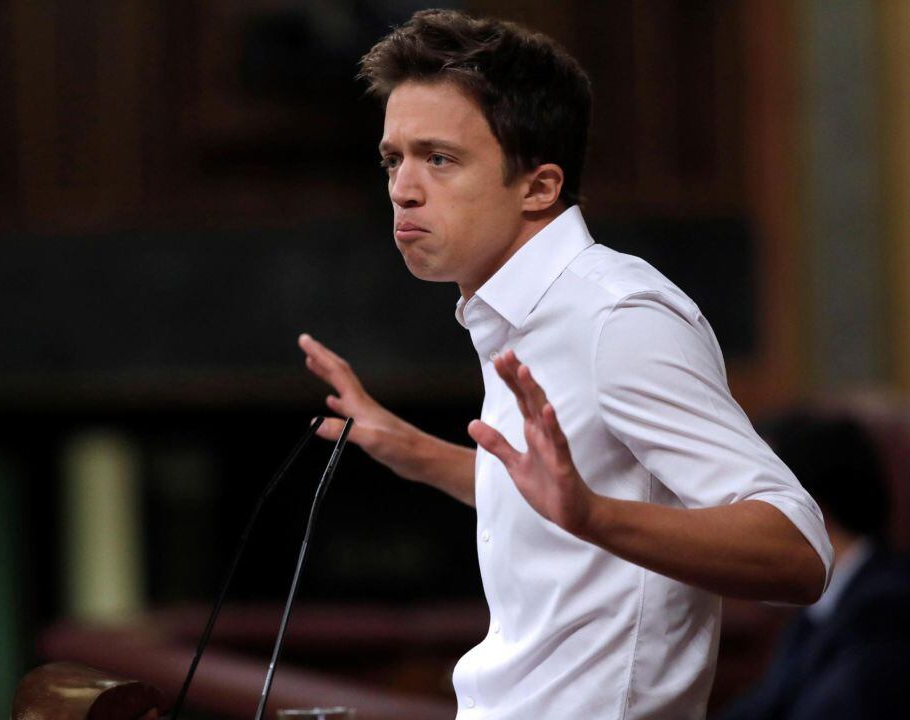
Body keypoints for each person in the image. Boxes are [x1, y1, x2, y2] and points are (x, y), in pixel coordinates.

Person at [297, 10, 832, 718]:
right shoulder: (517, 310)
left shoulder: (617, 317)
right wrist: (418, 455)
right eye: (393, 159)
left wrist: (593, 516)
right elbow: (561, 491)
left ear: (540, 187)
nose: (403, 188)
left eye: (440, 158)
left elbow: (799, 552)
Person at [718, 413, 910, 719]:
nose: (740, 516)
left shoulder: (889, 606)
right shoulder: (819, 606)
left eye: (758, 501)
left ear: (809, 508)